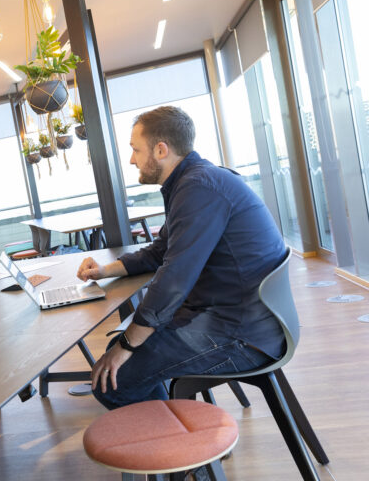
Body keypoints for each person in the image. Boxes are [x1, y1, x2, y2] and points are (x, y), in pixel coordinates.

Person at [77, 105, 287, 410]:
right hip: (239, 320)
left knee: (113, 380)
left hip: (242, 335)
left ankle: (180, 449)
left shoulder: (198, 187)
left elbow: (174, 278)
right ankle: (176, 434)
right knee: (120, 356)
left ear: (161, 150)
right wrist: (105, 271)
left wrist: (128, 343)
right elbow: (161, 251)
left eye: (136, 150)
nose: (131, 159)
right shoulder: (195, 182)